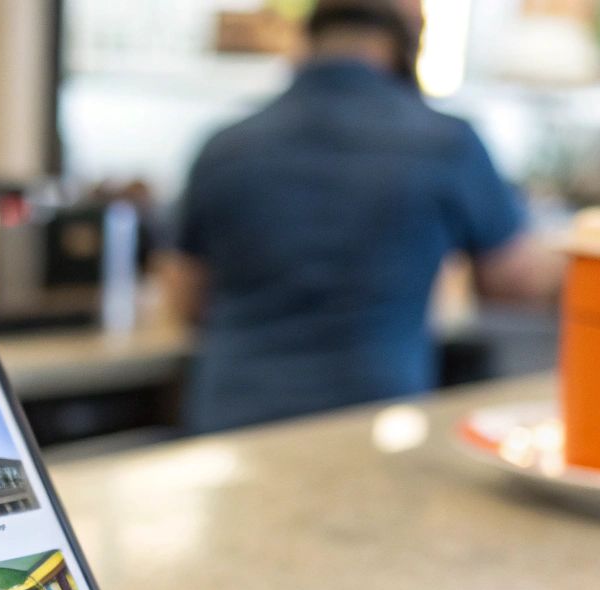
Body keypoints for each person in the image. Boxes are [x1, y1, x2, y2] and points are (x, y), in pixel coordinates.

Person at [168, 0, 559, 434]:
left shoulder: (224, 147)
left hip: (230, 423)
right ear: (404, 44)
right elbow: (516, 281)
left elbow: (185, 301)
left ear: (308, 40)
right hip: (374, 425)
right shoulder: (446, 143)